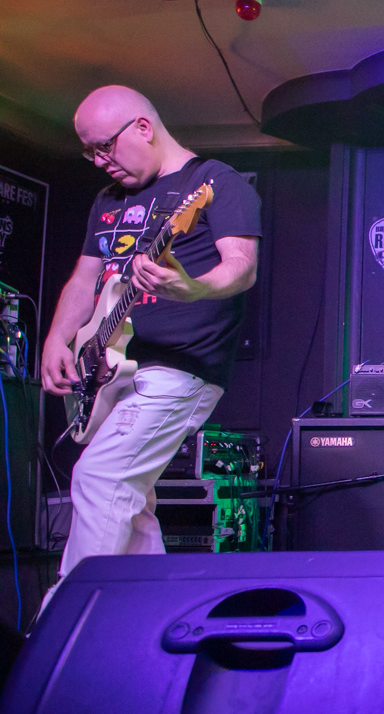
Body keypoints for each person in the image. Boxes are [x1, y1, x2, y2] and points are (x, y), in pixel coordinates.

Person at [39, 86, 261, 608]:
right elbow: (85, 279)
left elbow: (241, 268)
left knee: (100, 478)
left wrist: (193, 287)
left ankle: (70, 615)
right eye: (89, 152)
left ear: (142, 127)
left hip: (180, 369)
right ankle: (151, 616)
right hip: (111, 368)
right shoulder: (108, 200)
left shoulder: (214, 182)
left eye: (104, 147)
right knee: (131, 506)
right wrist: (56, 338)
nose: (100, 162)